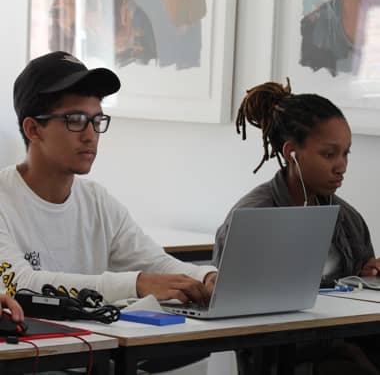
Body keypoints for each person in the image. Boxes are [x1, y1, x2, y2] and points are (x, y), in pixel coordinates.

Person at [0, 50, 216, 308]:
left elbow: (154, 262)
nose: (91, 135)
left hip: (92, 345)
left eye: (97, 120)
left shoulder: (96, 200)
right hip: (29, 347)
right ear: (34, 129)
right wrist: (135, 285)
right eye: (76, 120)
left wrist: (206, 277)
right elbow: (19, 285)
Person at [213, 79, 380, 375]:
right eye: (329, 154)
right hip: (289, 359)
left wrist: (366, 277)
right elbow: (233, 319)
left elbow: (357, 300)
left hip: (344, 344)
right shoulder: (252, 217)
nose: (341, 166)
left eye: (346, 153)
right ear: (292, 153)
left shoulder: (348, 219)